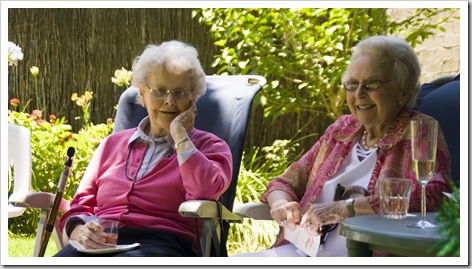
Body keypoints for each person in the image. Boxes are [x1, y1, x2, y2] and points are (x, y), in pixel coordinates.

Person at [236, 35, 453, 257]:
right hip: (299, 251)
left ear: (403, 92)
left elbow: (432, 195)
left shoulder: (419, 129)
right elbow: (285, 181)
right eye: (352, 84)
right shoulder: (342, 129)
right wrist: (280, 204)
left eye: (372, 83)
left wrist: (344, 209)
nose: (359, 94)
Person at [54, 40, 233, 257]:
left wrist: (180, 136)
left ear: (192, 98)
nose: (169, 101)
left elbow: (205, 191)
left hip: (164, 244)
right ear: (142, 94)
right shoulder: (111, 145)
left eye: (179, 93)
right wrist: (81, 230)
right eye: (159, 90)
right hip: (102, 241)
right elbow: (80, 205)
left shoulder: (210, 146)